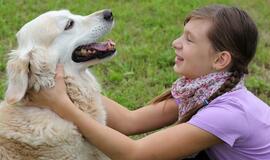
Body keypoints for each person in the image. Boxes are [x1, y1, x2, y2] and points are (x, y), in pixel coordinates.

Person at [29, 4, 270, 160]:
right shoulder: (203, 89)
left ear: (220, 60)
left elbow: (135, 154)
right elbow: (129, 122)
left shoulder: (229, 112)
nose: (176, 43)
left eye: (189, 39)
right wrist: (68, 82)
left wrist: (63, 105)